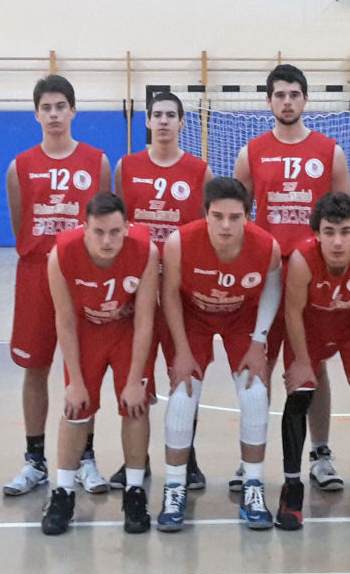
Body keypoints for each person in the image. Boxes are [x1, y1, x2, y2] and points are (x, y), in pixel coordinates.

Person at [234, 64, 350, 492]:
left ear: (305, 99)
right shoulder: (250, 152)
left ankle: (320, 454)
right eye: (279, 95)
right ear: (269, 101)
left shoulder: (330, 151)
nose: (287, 101)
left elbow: (345, 220)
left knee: (313, 365)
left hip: (313, 276)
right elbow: (237, 220)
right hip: (266, 276)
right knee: (259, 366)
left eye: (294, 94)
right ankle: (250, 460)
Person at [3, 74, 111, 497]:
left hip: (83, 275)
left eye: (60, 107)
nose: (53, 115)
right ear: (36, 114)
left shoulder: (97, 162)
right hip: (35, 274)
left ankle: (85, 457)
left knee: (84, 369)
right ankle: (34, 459)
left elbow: (105, 225)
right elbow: (21, 225)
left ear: (73, 111)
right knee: (36, 367)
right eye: (46, 108)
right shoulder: (20, 166)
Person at [157, 177, 282, 531]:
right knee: (183, 395)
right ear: (205, 214)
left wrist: (258, 342)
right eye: (218, 216)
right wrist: (182, 350)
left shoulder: (267, 246)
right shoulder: (179, 243)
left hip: (242, 317)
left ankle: (253, 485)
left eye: (235, 217)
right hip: (192, 317)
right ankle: (174, 488)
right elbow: (168, 295)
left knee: (255, 393)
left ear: (247, 216)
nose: (226, 225)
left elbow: (272, 290)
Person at [110, 91, 213, 490]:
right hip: (136, 288)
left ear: (183, 122)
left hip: (180, 290)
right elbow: (116, 228)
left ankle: (188, 457)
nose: (165, 121)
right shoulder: (127, 167)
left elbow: (204, 232)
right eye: (158, 115)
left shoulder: (199, 171)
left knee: (184, 373)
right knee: (135, 374)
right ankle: (136, 460)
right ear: (148, 122)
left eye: (172, 115)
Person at [40, 192, 159, 535]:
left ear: (127, 228)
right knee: (76, 407)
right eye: (99, 232)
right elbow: (64, 321)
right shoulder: (61, 254)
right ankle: (63, 491)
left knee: (135, 406)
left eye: (115, 232)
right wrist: (75, 382)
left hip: (126, 330)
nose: (107, 241)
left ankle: (134, 491)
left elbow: (145, 321)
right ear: (85, 228)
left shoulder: (146, 252)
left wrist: (134, 381)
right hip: (85, 329)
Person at [276, 192, 350, 530]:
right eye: (329, 232)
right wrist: (302, 361)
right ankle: (291, 487)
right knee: (299, 395)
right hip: (310, 331)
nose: (338, 241)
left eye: (345, 232)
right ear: (317, 234)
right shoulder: (302, 260)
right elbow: (292, 313)